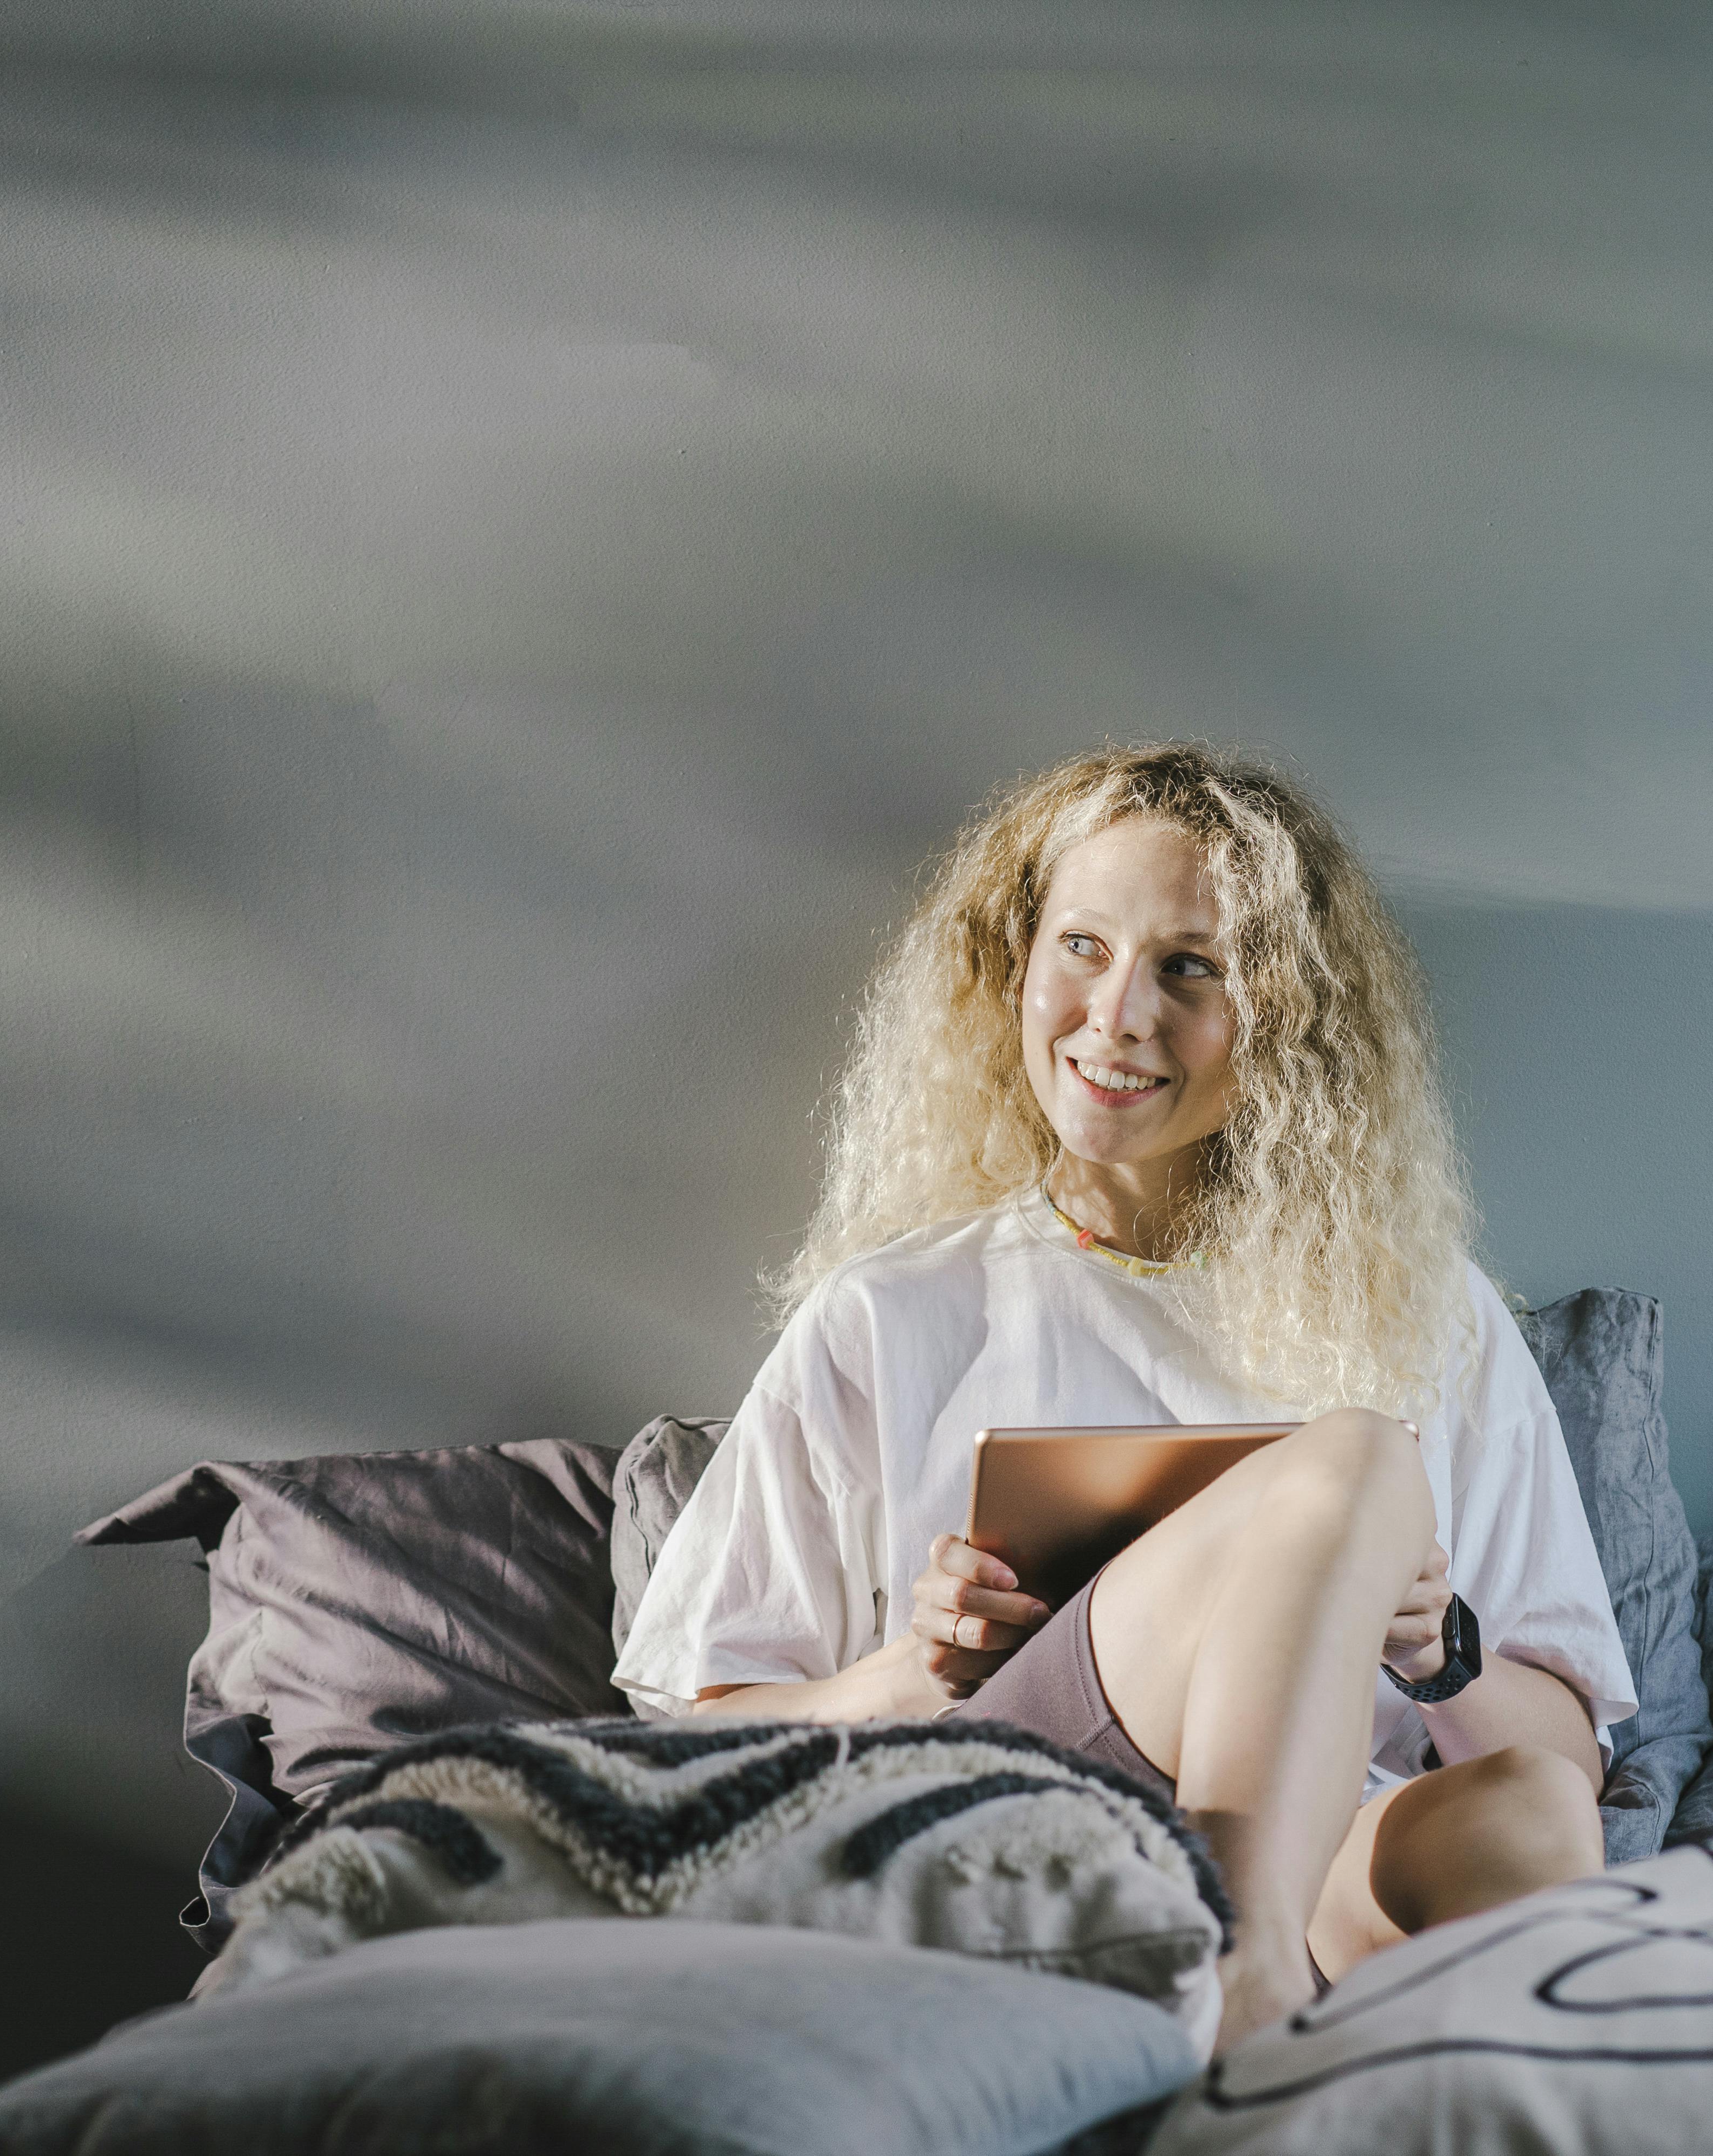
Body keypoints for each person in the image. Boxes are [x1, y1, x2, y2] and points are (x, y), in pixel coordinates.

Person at [613, 742, 1635, 2053]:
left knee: (1531, 1824)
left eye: (1188, 968)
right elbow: (697, 1753)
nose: (1117, 1016)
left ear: (1283, 1015)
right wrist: (910, 1672)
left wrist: (1439, 1655)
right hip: (1002, 1832)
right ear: (1018, 966)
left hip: (1318, 1858)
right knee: (1355, 1463)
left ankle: (1264, 1982)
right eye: (1082, 948)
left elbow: (1570, 1766)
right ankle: (1242, 1994)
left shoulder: (1430, 1315)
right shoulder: (890, 1314)